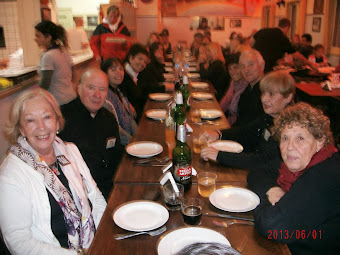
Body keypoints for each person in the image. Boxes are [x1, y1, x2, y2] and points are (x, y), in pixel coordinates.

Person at [0, 89, 106, 254]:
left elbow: (95, 197)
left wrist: (104, 237)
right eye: (30, 120)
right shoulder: (11, 175)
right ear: (21, 129)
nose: (41, 127)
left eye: (47, 117)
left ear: (57, 121)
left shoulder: (70, 150)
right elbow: (19, 242)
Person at [248, 102, 340, 255]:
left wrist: (270, 204)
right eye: (285, 138)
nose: (290, 147)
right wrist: (273, 191)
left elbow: (273, 228)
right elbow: (256, 173)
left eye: (300, 138)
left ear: (320, 141)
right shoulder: (295, 163)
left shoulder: (325, 175)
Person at [201, 71, 295, 169]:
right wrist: (219, 133)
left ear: (288, 97)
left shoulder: (289, 126)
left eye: (271, 94)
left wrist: (219, 156)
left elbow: (263, 160)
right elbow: (245, 132)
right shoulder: (269, 117)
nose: (264, 99)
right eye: (263, 93)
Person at [59, 69, 123, 199]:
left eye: (102, 89)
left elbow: (116, 153)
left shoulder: (108, 118)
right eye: (91, 88)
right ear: (79, 88)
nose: (97, 95)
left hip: (110, 188)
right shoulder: (62, 119)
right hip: (82, 194)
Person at [35, 20, 76, 105]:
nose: (35, 39)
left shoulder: (48, 56)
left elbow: (45, 82)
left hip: (58, 101)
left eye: (38, 36)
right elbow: (73, 75)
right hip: (71, 97)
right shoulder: (64, 52)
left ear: (48, 37)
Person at [252, 18, 317, 73]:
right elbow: (297, 55)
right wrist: (311, 65)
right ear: (287, 27)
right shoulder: (283, 38)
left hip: (253, 63)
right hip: (265, 68)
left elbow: (250, 43)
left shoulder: (263, 31)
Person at [101, 58, 138, 145]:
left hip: (130, 139)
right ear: (105, 74)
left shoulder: (119, 91)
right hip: (119, 145)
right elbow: (116, 129)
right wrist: (134, 142)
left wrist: (139, 136)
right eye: (113, 70)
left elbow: (130, 118)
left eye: (121, 69)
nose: (118, 72)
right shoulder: (106, 98)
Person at [234, 49, 265, 126]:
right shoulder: (247, 89)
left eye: (251, 64)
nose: (246, 70)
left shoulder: (266, 92)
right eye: (242, 66)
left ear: (262, 66)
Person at [121, 43, 149, 121]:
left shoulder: (137, 75)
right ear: (130, 58)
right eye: (140, 59)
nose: (142, 64)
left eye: (145, 62)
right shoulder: (122, 76)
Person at [219, 52, 248, 125]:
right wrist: (215, 113)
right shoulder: (234, 82)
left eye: (235, 67)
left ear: (242, 67)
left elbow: (240, 118)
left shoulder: (247, 85)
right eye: (230, 69)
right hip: (229, 121)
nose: (232, 72)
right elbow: (225, 101)